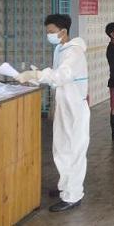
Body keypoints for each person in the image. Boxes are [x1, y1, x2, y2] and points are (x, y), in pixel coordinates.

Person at [16, 14, 90, 212]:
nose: (48, 35)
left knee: (74, 151)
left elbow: (61, 76)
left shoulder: (74, 52)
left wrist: (37, 75)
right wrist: (37, 76)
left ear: (63, 31)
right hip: (64, 105)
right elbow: (55, 75)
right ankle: (65, 187)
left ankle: (73, 195)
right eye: (47, 31)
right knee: (61, 149)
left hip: (75, 107)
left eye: (51, 32)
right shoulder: (60, 48)